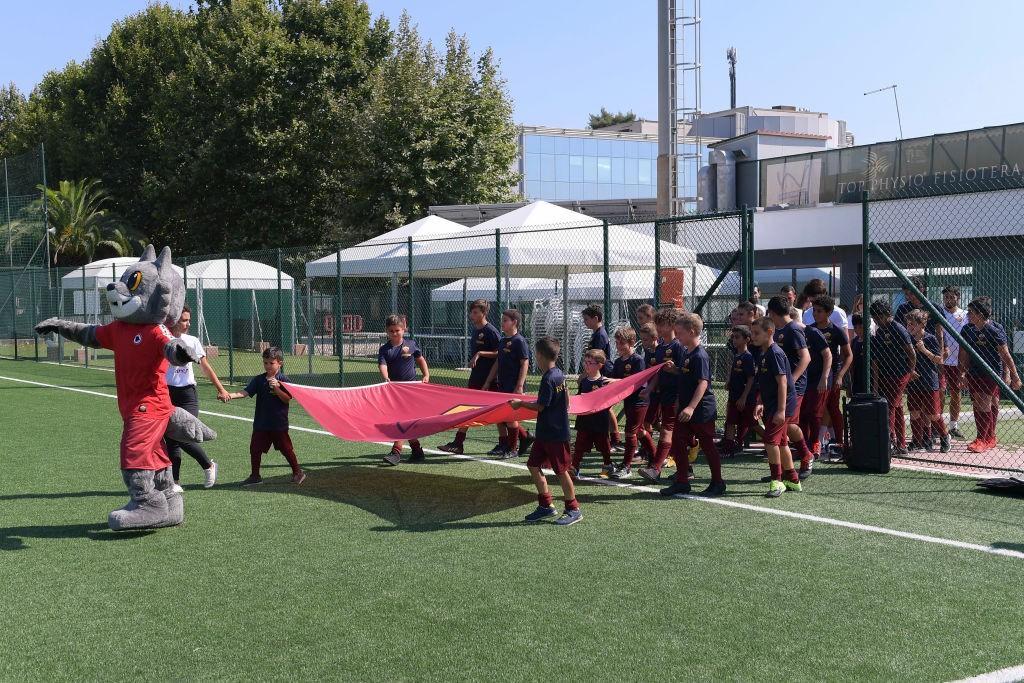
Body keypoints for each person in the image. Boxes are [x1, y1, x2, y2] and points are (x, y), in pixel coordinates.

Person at [509, 337, 582, 526]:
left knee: (562, 471)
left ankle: (573, 509)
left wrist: (520, 404)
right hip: (545, 433)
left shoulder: (549, 378)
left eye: (536, 355)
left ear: (540, 355)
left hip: (555, 434)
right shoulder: (559, 374)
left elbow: (541, 406)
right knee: (533, 465)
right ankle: (546, 505)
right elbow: (566, 401)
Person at [656, 312, 726, 497]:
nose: (677, 336)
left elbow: (703, 382)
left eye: (679, 332)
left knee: (707, 445)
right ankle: (682, 480)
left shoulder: (700, 355)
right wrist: (676, 371)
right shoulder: (687, 353)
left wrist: (691, 407)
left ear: (692, 331)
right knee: (677, 442)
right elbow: (687, 378)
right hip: (686, 406)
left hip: (700, 408)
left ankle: (718, 482)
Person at [165, 305, 228, 491]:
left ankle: (208, 465)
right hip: (167, 393)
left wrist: (221, 389)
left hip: (187, 395)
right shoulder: (163, 339)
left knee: (184, 435)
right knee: (171, 438)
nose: (187, 324)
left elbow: (205, 367)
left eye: (188, 320)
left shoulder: (192, 341)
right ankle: (174, 482)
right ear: (174, 320)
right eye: (184, 320)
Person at [225, 346, 305, 486]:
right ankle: (255, 476)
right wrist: (229, 395)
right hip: (261, 423)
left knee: (286, 448)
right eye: (265, 363)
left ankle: (298, 472)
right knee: (255, 449)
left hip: (278, 424)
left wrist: (277, 388)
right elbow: (245, 392)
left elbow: (287, 399)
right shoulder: (258, 380)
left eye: (271, 363)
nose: (268, 366)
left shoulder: (284, 380)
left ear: (280, 363)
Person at [960, 298, 1021, 453]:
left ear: (980, 314)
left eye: (971, 312)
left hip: (991, 372)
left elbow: (1006, 355)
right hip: (974, 372)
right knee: (977, 403)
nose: (968, 315)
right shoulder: (967, 330)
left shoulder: (994, 330)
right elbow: (964, 354)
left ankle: (983, 438)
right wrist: (963, 373)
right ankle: (988, 437)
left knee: (985, 402)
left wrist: (1013, 375)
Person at [439, 299, 501, 455]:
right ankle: (458, 443)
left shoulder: (491, 331)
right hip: (477, 376)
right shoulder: (475, 330)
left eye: (475, 312)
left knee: (498, 410)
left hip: (490, 378)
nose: (471, 315)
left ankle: (519, 437)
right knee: (469, 408)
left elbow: (499, 353)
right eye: (471, 312)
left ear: (484, 313)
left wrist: (480, 354)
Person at [767, 296, 818, 479]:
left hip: (796, 386)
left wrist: (792, 380)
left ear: (772, 313)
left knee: (787, 424)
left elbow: (806, 358)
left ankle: (806, 454)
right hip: (783, 385)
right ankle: (781, 471)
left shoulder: (794, 329)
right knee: (785, 426)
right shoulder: (780, 330)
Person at [751, 316, 801, 497]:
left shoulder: (775, 353)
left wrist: (781, 410)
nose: (753, 336)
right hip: (772, 404)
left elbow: (783, 383)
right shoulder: (763, 353)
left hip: (782, 406)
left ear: (769, 332)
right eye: (752, 333)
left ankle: (777, 481)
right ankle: (793, 480)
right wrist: (760, 402)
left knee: (770, 441)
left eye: (757, 333)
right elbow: (765, 383)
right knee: (781, 443)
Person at [377, 314, 430, 465]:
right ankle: (417, 450)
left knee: (401, 421)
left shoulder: (411, 344)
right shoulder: (384, 349)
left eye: (397, 330)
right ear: (387, 332)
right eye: (391, 331)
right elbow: (382, 364)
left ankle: (396, 452)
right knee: (402, 421)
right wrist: (386, 377)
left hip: (410, 390)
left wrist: (426, 374)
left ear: (403, 329)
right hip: (394, 391)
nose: (395, 333)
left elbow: (420, 360)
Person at [638, 308, 683, 482]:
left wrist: (675, 370)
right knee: (676, 434)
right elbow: (657, 372)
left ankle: (655, 468)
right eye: (657, 324)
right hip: (663, 394)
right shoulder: (661, 348)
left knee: (667, 432)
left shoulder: (678, 346)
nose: (658, 327)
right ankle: (686, 469)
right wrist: (649, 390)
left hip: (675, 395)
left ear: (671, 325)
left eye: (661, 324)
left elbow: (686, 373)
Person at [483, 309, 532, 458]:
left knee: (511, 419)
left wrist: (520, 385)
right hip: (502, 385)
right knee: (502, 416)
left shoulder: (519, 341)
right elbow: (498, 362)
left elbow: (525, 363)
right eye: (502, 320)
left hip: (513, 386)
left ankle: (513, 448)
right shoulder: (503, 341)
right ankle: (522, 438)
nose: (502, 323)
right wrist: (488, 381)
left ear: (514, 322)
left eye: (505, 320)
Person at [869, 300, 916, 455]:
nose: (875, 321)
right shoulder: (880, 330)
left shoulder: (898, 329)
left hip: (899, 374)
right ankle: (901, 445)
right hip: (886, 374)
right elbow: (876, 358)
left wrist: (910, 372)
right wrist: (876, 382)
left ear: (885, 315)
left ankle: (889, 442)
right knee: (897, 408)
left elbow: (912, 354)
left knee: (889, 407)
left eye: (877, 317)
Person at [609, 327, 655, 479]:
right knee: (640, 430)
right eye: (616, 343)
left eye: (622, 343)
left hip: (640, 401)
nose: (618, 346)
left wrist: (615, 381)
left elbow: (636, 383)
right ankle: (655, 458)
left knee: (630, 432)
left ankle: (626, 466)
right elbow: (613, 382)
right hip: (628, 402)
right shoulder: (617, 362)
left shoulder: (638, 360)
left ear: (631, 342)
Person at [806, 296, 849, 455]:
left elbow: (848, 355)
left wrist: (840, 376)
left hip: (830, 374)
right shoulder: (809, 329)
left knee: (829, 407)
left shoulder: (836, 331)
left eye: (819, 311)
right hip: (812, 374)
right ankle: (817, 441)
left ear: (829, 312)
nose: (815, 314)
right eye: (814, 310)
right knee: (814, 409)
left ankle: (837, 442)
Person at [905, 310, 950, 453]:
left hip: (929, 380)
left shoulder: (929, 338)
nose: (909, 326)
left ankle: (944, 436)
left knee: (933, 414)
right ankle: (917, 440)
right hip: (914, 380)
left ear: (922, 324)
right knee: (914, 412)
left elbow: (939, 359)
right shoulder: (908, 338)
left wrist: (924, 350)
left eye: (912, 324)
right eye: (908, 323)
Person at [581, 304, 620, 450]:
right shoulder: (596, 333)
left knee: (605, 407)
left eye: (586, 319)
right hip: (597, 372)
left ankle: (614, 438)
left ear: (595, 318)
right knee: (600, 407)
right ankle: (597, 438)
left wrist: (586, 375)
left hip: (603, 373)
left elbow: (598, 358)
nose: (585, 322)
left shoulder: (600, 335)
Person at [571, 350, 615, 478]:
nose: (586, 365)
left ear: (600, 365)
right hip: (584, 421)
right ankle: (575, 467)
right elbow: (579, 398)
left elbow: (609, 400)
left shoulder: (604, 382)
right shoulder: (584, 381)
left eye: (590, 363)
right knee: (579, 444)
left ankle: (608, 465)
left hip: (599, 421)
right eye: (585, 362)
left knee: (604, 445)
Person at [719, 325, 756, 457]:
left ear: (747, 339)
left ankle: (776, 442)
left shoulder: (748, 357)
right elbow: (733, 371)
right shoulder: (736, 355)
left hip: (744, 397)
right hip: (734, 395)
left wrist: (744, 397)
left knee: (751, 423)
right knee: (730, 421)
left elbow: (751, 378)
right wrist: (729, 380)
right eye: (733, 337)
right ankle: (729, 447)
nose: (734, 340)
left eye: (737, 337)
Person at [939, 286, 967, 438]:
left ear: (958, 297)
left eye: (951, 297)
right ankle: (939, 426)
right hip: (942, 361)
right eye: (945, 297)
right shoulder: (939, 313)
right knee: (940, 392)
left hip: (958, 362)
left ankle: (953, 426)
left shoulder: (965, 314)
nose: (948, 299)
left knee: (956, 393)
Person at [638, 322, 661, 461]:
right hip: (650, 391)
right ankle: (648, 449)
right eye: (642, 339)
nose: (643, 342)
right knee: (652, 422)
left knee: (648, 422)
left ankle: (649, 450)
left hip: (659, 391)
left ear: (654, 338)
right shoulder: (647, 352)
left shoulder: (661, 351)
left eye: (645, 339)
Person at [849, 313, 866, 396]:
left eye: (860, 327)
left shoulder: (872, 340)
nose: (857, 330)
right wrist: (850, 385)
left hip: (868, 378)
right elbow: (851, 365)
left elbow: (875, 364)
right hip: (857, 377)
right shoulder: (854, 341)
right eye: (855, 327)